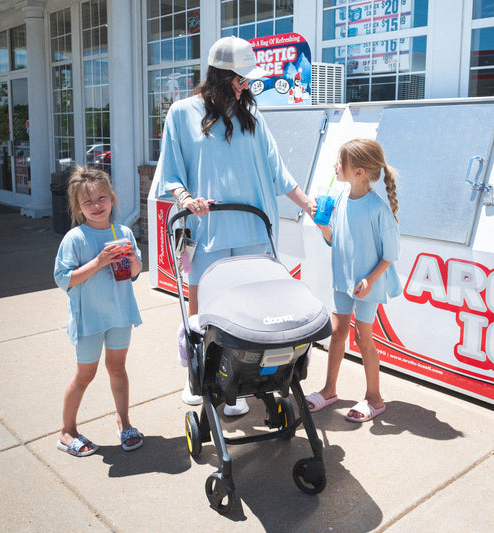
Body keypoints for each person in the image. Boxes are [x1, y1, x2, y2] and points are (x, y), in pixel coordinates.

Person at [155, 36, 316, 414]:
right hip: (207, 228)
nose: (247, 85)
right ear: (222, 76)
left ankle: (236, 386)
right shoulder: (181, 113)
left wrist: (308, 204)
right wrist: (185, 200)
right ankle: (199, 375)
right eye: (241, 79)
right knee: (205, 310)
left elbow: (278, 173)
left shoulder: (253, 118)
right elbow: (171, 172)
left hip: (253, 230)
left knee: (248, 313)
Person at [305, 139, 401, 422]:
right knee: (337, 333)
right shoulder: (338, 200)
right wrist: (324, 227)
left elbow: (390, 255)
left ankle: (375, 398)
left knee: (363, 338)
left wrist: (370, 280)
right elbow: (336, 239)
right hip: (343, 281)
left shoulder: (378, 209)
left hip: (368, 285)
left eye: (340, 161)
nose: (335, 165)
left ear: (358, 172)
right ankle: (329, 390)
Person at [54, 166, 144, 456]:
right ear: (78, 207)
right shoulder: (75, 238)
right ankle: (67, 431)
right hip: (89, 319)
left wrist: (132, 259)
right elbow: (63, 278)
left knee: (118, 368)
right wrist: (99, 261)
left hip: (119, 314)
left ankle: (124, 421)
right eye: (88, 202)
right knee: (84, 376)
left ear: (112, 198)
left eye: (101, 198)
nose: (96, 206)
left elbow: (135, 272)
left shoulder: (124, 232)